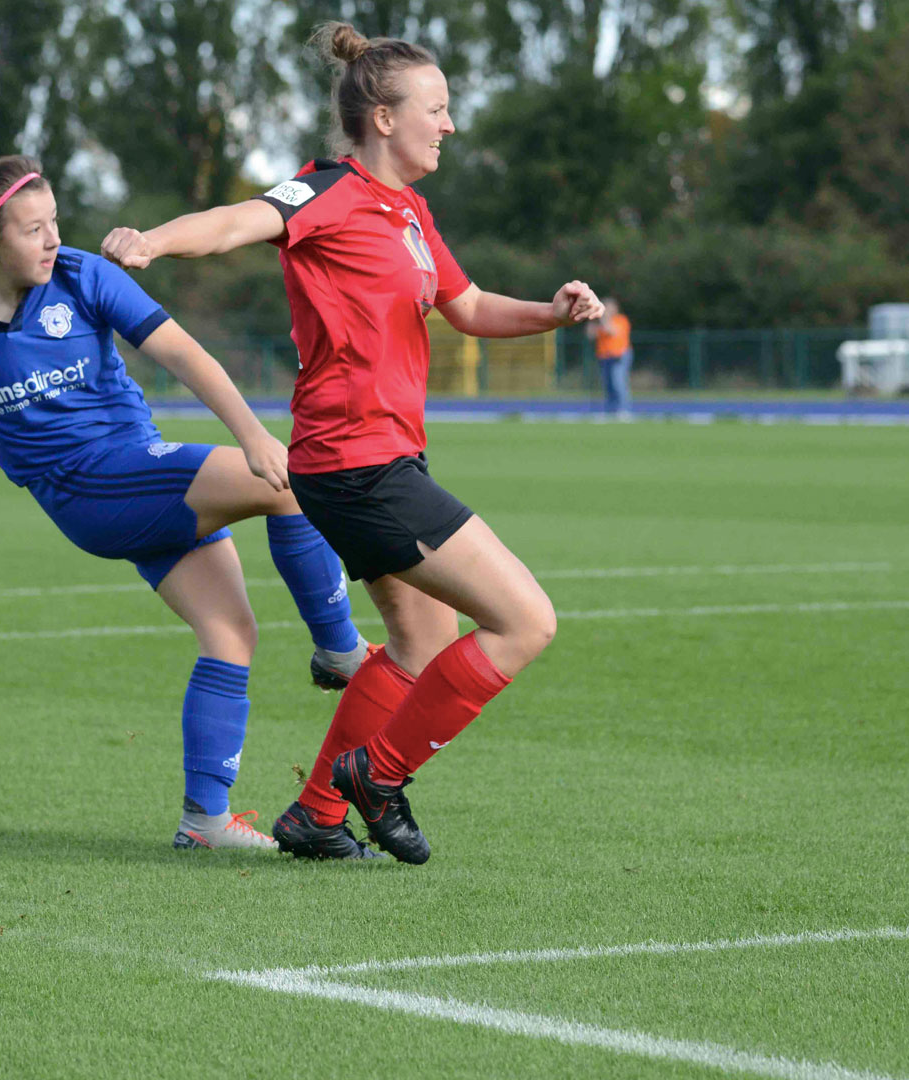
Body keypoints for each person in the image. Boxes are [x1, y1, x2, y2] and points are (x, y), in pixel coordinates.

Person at [101, 22, 603, 863]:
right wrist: (151, 241)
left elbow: (469, 305)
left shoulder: (409, 211)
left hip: (382, 460)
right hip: (355, 465)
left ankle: (317, 814)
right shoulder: (326, 191)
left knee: (419, 643)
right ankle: (378, 775)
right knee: (525, 622)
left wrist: (552, 313)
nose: (449, 125)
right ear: (381, 116)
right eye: (435, 109)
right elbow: (234, 222)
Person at [0, 155, 371, 851]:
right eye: (33, 229)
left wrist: (250, 432)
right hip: (85, 493)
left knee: (230, 636)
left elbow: (185, 355)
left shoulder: (81, 275)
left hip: (140, 468)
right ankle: (342, 652)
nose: (51, 241)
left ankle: (205, 821)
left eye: (54, 224)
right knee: (288, 484)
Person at [592, 296, 633, 416]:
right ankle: (611, 410)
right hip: (605, 357)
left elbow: (612, 331)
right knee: (608, 384)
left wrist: (604, 319)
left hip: (619, 356)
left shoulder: (621, 320)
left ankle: (623, 409)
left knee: (618, 382)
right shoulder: (599, 322)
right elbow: (589, 334)